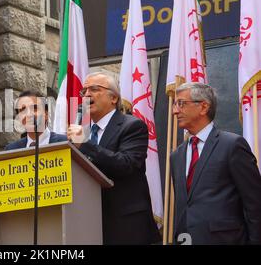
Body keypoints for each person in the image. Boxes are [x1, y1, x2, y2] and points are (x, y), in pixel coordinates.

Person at [67, 72, 160, 245]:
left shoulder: (132, 126)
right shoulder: (82, 133)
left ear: (114, 98)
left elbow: (126, 164)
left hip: (126, 227)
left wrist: (85, 145)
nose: (87, 95)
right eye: (84, 91)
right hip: (88, 225)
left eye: (94, 89)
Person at [171, 83, 261, 245]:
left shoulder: (232, 145)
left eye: (181, 103)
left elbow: (254, 203)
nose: (175, 111)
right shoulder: (176, 155)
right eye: (175, 105)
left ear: (204, 107)